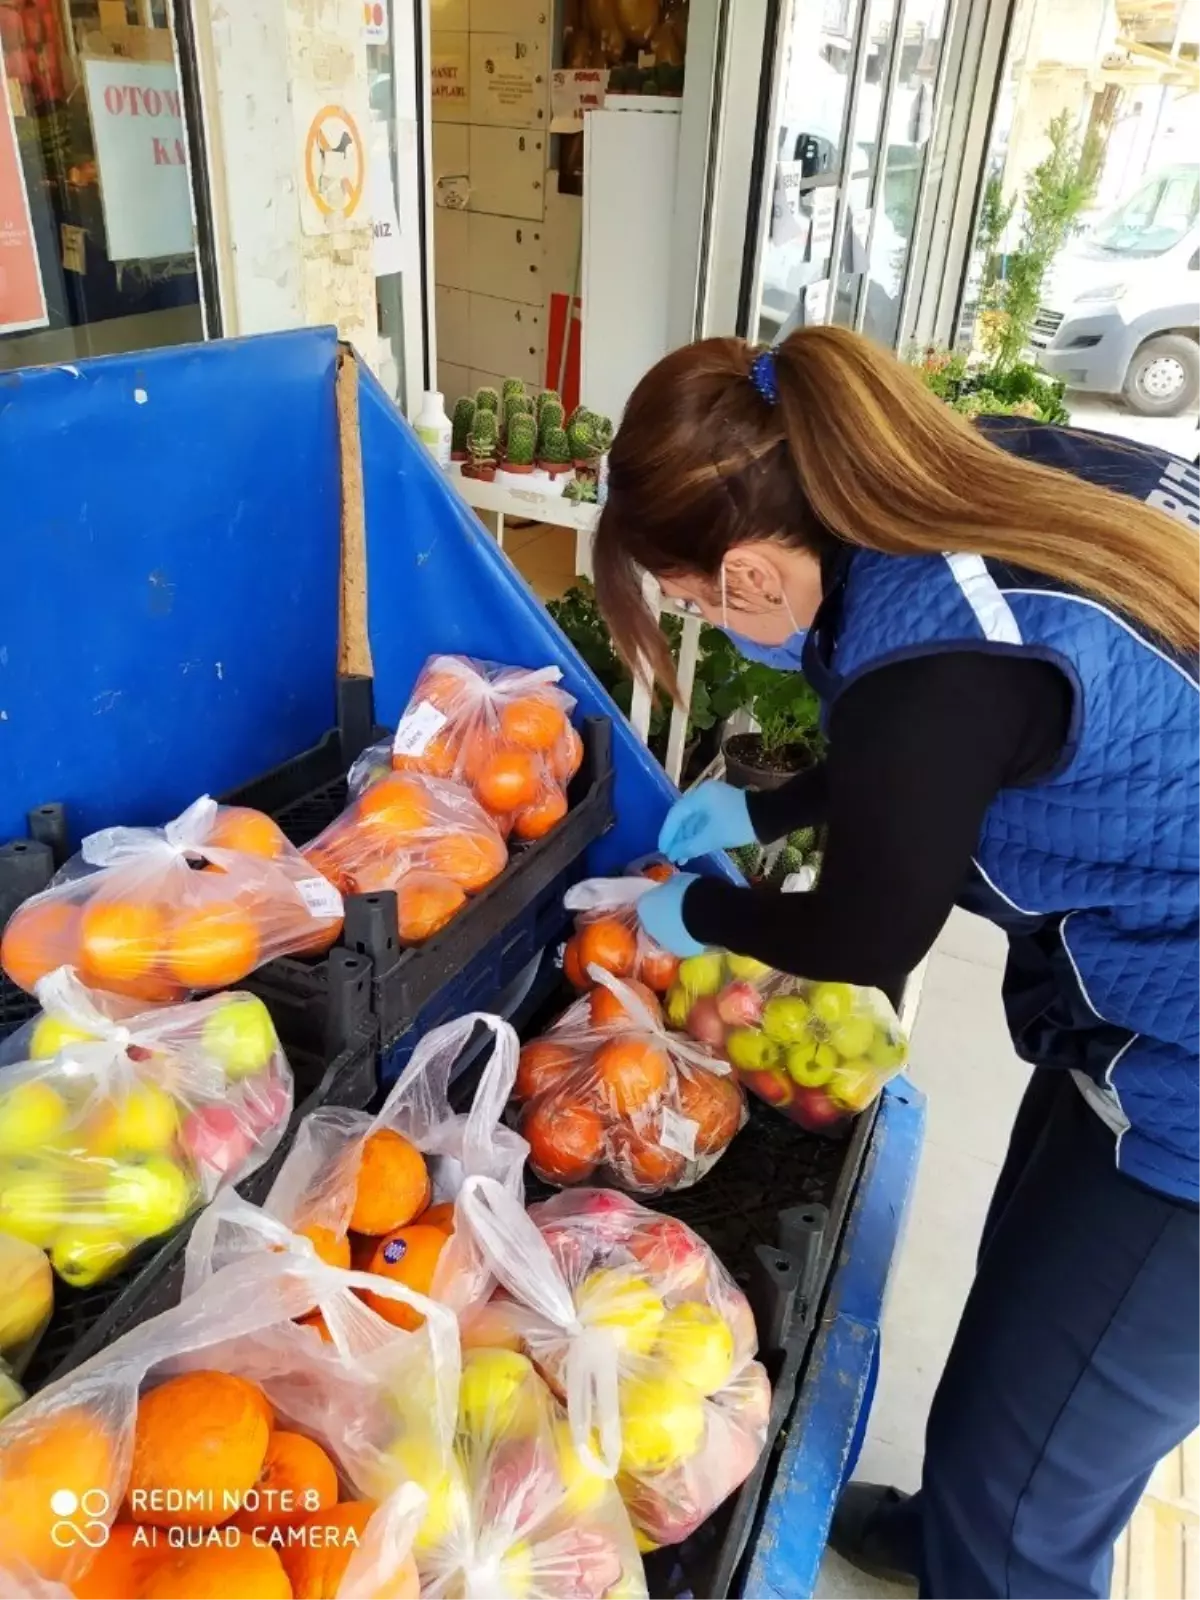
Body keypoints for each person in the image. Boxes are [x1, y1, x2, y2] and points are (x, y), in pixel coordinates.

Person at [590, 325, 1200, 1600]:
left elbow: (871, 934)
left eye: (693, 599)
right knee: (1030, 1300)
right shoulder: (926, 490)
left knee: (1032, 1497)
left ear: (749, 573)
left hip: (1190, 1069)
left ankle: (1005, 1544)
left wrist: (703, 918)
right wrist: (770, 812)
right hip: (1145, 1003)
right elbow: (935, 747)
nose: (702, 619)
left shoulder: (933, 661)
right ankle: (966, 1517)